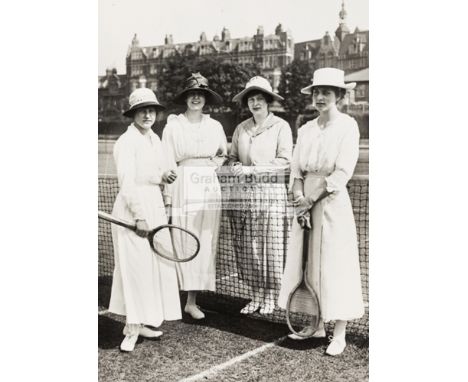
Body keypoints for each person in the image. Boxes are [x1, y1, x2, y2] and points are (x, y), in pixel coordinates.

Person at [278, 68, 364, 356]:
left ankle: (339, 333)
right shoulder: (305, 129)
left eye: (327, 92)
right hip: (306, 203)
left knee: (335, 264)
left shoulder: (348, 126)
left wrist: (311, 198)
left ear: (339, 95)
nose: (320, 97)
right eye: (316, 91)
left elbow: (342, 172)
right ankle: (317, 326)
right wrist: (299, 196)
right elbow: (296, 169)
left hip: (331, 202)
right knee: (309, 263)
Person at [108, 88, 181, 352]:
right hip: (133, 209)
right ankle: (131, 328)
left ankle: (144, 323)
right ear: (134, 114)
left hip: (154, 205)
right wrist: (139, 217)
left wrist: (164, 177)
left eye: (151, 110)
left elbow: (154, 172)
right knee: (134, 270)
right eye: (142, 110)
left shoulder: (155, 139)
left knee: (152, 269)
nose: (148, 114)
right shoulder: (125, 142)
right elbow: (127, 183)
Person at [162, 73, 227, 320]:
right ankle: (172, 298)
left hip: (207, 186)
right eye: (192, 94)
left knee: (205, 240)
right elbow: (166, 161)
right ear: (186, 98)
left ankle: (192, 301)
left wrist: (210, 167)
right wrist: (168, 198)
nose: (196, 98)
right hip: (182, 184)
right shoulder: (173, 126)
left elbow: (223, 154)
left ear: (206, 99)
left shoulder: (215, 126)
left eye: (201, 94)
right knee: (182, 239)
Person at [228, 76, 293, 315]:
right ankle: (255, 296)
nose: (255, 103)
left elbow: (285, 162)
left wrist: (253, 170)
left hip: (273, 194)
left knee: (271, 245)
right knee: (249, 246)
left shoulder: (281, 126)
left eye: (259, 99)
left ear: (268, 102)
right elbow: (233, 157)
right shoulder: (241, 128)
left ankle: (270, 296)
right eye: (251, 99)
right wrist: (234, 166)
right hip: (246, 196)